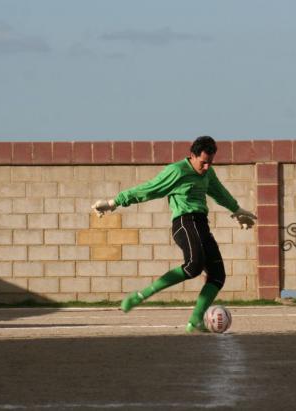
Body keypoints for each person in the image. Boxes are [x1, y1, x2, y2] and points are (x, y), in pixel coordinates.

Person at [92, 136, 257, 333]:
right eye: (203, 162)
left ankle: (195, 322)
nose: (206, 167)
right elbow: (148, 189)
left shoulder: (208, 173)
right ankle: (139, 296)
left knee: (218, 276)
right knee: (194, 266)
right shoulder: (177, 171)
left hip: (201, 224)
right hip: (184, 223)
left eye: (210, 162)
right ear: (192, 155)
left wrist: (237, 210)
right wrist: (114, 203)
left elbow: (219, 192)